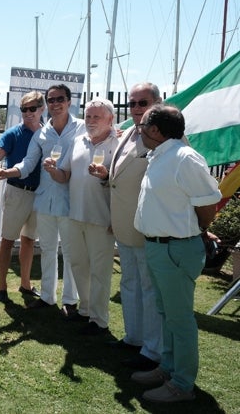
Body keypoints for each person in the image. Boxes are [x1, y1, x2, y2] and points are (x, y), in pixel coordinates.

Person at [130, 104, 221, 403]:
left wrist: (198, 230)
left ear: (155, 131)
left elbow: (207, 204)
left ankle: (182, 384)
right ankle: (167, 368)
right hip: (158, 247)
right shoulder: (160, 155)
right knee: (166, 314)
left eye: (142, 124)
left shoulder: (184, 158)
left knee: (179, 320)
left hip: (175, 248)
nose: (137, 129)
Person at [0, 84, 84, 313]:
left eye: (59, 99)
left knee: (71, 254)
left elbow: (102, 135)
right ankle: (47, 298)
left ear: (69, 101)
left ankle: (70, 301)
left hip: (69, 200)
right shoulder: (42, 134)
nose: (55, 104)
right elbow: (28, 163)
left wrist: (116, 133)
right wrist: (7, 172)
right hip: (44, 201)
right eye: (51, 100)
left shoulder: (82, 128)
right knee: (48, 251)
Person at [46, 98, 118, 335]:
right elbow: (65, 175)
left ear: (110, 119)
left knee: (100, 271)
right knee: (78, 265)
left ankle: (99, 320)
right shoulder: (78, 141)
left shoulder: (119, 143)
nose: (91, 121)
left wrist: (106, 175)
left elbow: (123, 182)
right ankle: (85, 310)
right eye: (88, 116)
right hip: (75, 215)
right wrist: (52, 170)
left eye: (97, 116)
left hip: (102, 218)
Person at [105, 82, 164, 370]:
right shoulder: (127, 132)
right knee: (129, 283)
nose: (137, 109)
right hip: (123, 224)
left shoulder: (163, 136)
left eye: (143, 103)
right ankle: (134, 337)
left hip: (146, 227)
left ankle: (153, 350)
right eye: (133, 103)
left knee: (149, 288)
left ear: (157, 103)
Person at [0, 91, 44, 303]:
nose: (28, 113)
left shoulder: (48, 135)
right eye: (24, 109)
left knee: (29, 241)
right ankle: (2, 287)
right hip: (16, 192)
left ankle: (25, 285)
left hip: (40, 194)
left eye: (32, 108)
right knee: (7, 241)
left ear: (42, 109)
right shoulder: (12, 134)